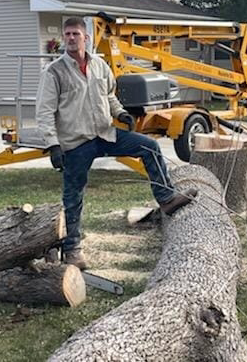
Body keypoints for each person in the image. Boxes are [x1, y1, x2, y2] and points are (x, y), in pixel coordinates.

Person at [36, 17, 197, 269]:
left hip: (104, 133)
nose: (70, 38)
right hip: (76, 141)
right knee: (73, 195)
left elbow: (109, 96)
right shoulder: (54, 72)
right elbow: (44, 112)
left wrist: (120, 113)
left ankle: (166, 199)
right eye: (66, 34)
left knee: (149, 147)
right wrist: (53, 145)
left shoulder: (99, 65)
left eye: (75, 34)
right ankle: (72, 250)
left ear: (85, 37)